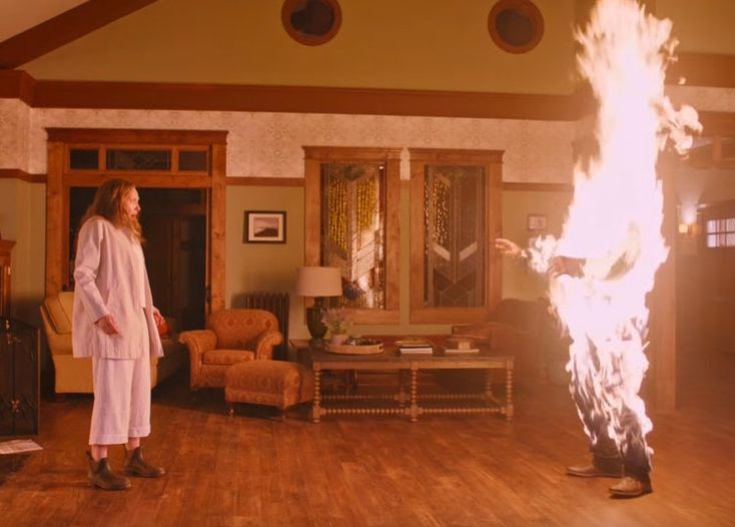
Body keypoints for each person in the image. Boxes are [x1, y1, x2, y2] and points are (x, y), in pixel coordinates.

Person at [495, 237, 652, 498]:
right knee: (586, 396)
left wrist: (576, 269)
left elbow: (616, 276)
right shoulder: (569, 268)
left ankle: (638, 475)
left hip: (615, 342)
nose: (558, 262)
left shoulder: (607, 264)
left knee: (621, 406)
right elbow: (548, 263)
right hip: (588, 341)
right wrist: (521, 254)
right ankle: (607, 460)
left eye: (565, 258)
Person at [73, 178, 166, 491]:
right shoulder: (96, 227)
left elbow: (135, 282)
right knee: (111, 396)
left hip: (135, 325)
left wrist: (149, 308)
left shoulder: (129, 234)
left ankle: (134, 455)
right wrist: (100, 314)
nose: (138, 206)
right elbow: (83, 275)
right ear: (116, 199)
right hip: (112, 327)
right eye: (133, 199)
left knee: (138, 393)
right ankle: (98, 464)